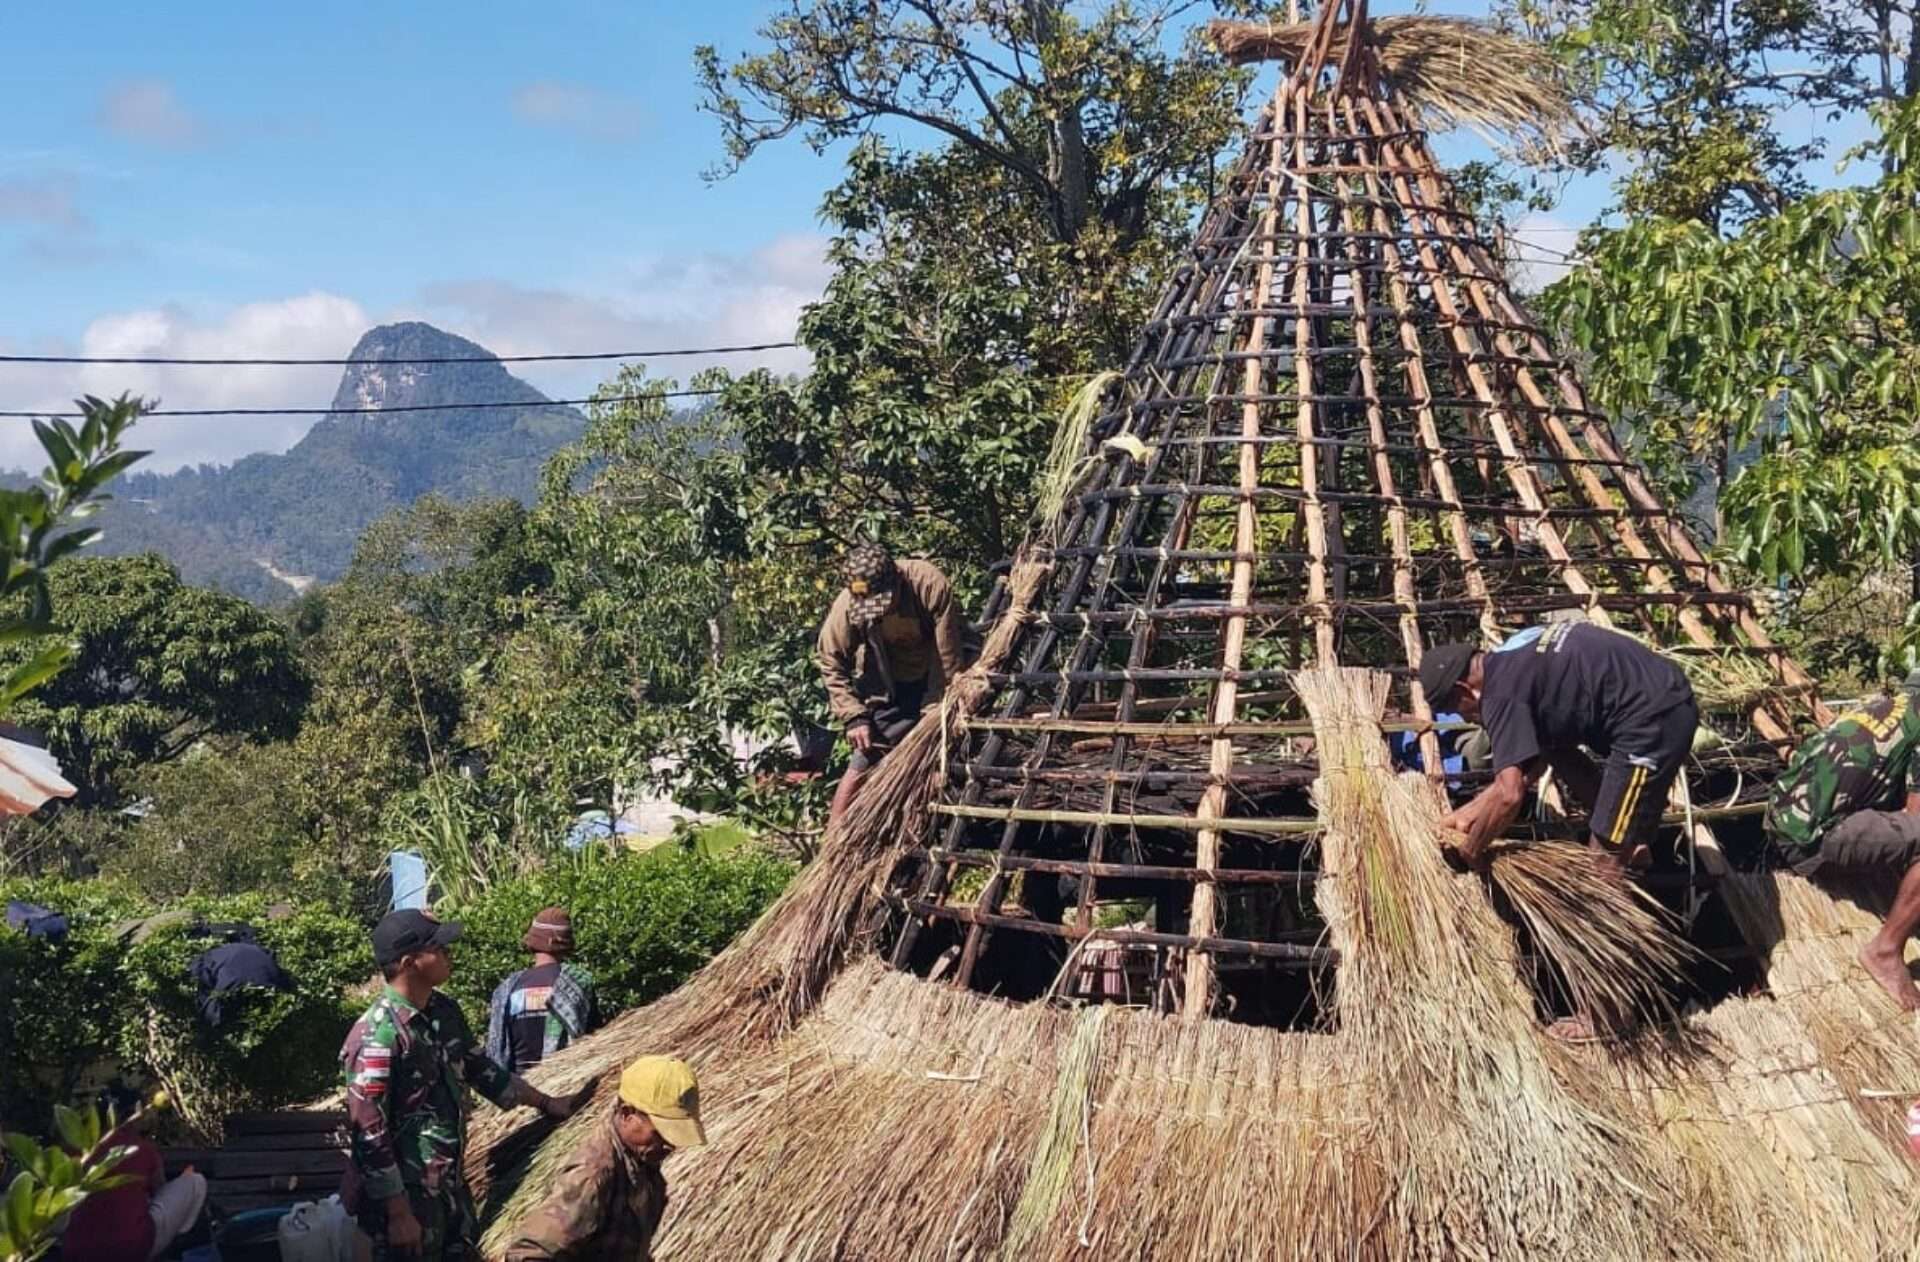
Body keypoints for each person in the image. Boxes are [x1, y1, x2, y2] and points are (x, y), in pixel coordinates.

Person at [341, 909, 587, 1260]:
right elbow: (369, 1131)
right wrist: (397, 1214)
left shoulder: (442, 1012)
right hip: (405, 1204)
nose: (448, 954)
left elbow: (481, 1069)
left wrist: (547, 1103)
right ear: (410, 962)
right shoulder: (377, 1035)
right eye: (438, 948)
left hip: (450, 1192)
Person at [1418, 622, 1699, 876]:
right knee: (1554, 749)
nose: (1464, 719)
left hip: (1652, 723)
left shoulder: (1499, 696)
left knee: (1602, 864)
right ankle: (1633, 848)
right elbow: (1533, 765)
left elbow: (1509, 795)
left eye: (1455, 709)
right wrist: (1466, 815)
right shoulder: (1515, 654)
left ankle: (1608, 920)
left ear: (1465, 690)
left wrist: (1471, 850)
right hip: (1662, 692)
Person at [1765, 670, 1920, 1011]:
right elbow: (1915, 816)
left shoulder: (1881, 707)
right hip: (1813, 840)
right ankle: (1886, 949)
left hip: (1784, 817)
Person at [816, 542, 965, 830]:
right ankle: (833, 839)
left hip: (935, 677)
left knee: (948, 751)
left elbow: (948, 658)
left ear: (897, 578)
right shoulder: (848, 604)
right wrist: (854, 716)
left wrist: (937, 710)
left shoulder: (928, 584)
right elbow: (831, 661)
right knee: (865, 755)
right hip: (889, 684)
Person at [502, 1055, 708, 1261]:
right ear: (627, 1114)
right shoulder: (593, 1174)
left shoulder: (642, 1164)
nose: (669, 1145)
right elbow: (528, 1254)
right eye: (661, 1133)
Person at [59, 1116, 207, 1261]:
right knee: (195, 1181)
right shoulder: (140, 1147)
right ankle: (190, 1251)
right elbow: (160, 1190)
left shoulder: (71, 1151)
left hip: (76, 1250)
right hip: (132, 1249)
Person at [485, 906, 597, 1074]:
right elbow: (594, 1039)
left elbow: (497, 1050)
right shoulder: (578, 983)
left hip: (519, 1090)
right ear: (566, 943)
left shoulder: (507, 989)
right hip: (568, 1086)